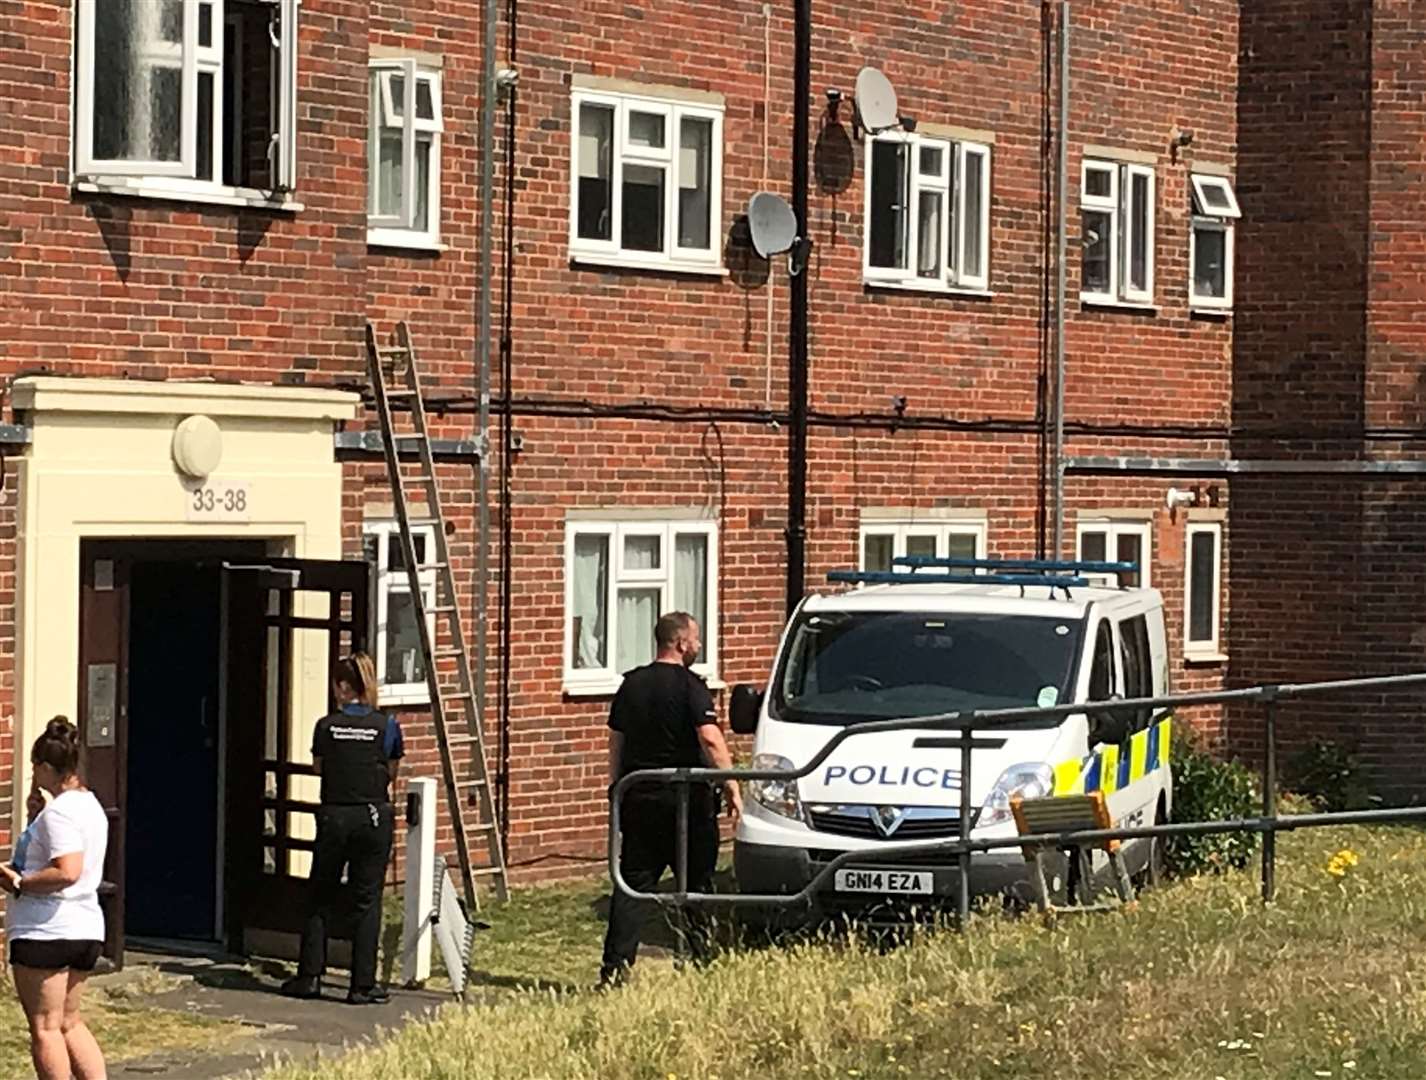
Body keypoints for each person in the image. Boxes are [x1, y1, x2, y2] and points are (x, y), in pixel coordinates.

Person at [599, 612, 742, 988]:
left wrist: (616, 786)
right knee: (696, 886)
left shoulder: (631, 685)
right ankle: (704, 963)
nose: (698, 645)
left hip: (640, 798)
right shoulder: (690, 686)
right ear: (680, 643)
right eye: (695, 639)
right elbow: (710, 739)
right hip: (686, 804)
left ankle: (614, 972)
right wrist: (731, 786)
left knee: (631, 888)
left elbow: (617, 740)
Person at [281, 652, 404, 1005]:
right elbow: (391, 770)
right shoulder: (387, 725)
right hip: (372, 817)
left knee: (320, 896)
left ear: (342, 686)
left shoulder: (325, 725)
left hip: (335, 816)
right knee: (366, 900)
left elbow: (319, 768)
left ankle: (310, 976)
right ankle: (361, 984)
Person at [1, 717, 110, 1080]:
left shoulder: (60, 813)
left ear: (47, 768)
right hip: (85, 926)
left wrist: (20, 882)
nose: (33, 772)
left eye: (35, 766)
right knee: (69, 1023)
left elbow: (67, 869)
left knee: (45, 1028)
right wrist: (35, 815)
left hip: (46, 930)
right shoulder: (89, 805)